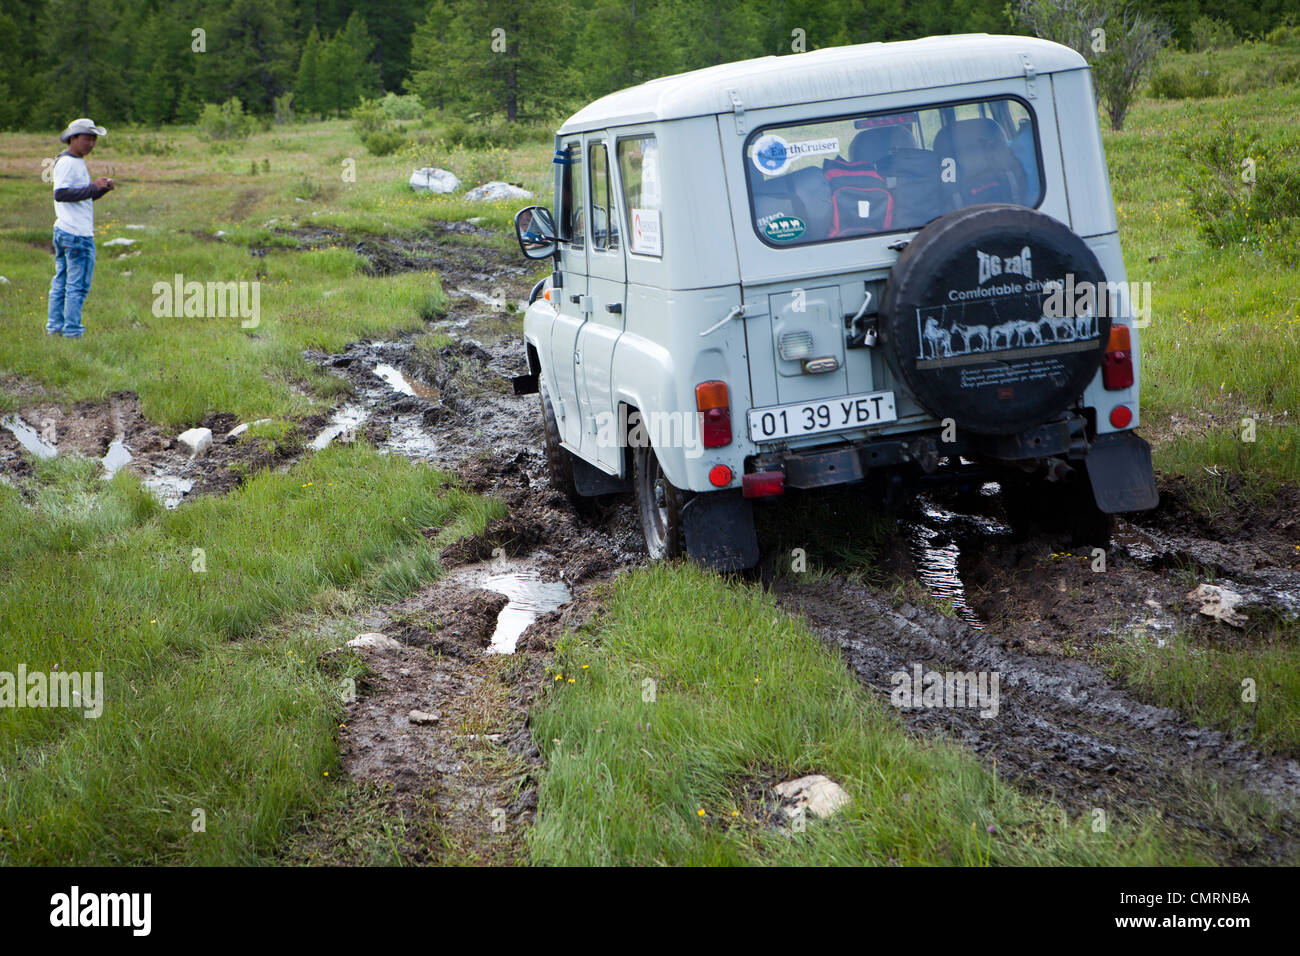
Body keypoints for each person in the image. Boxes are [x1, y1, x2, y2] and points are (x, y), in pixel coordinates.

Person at [48, 118, 114, 338]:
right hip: (76, 234)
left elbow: (81, 197)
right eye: (87, 138)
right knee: (77, 286)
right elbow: (62, 194)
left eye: (94, 139)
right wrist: (91, 187)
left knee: (62, 282)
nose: (91, 144)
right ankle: (73, 332)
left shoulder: (74, 161)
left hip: (65, 230)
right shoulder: (68, 162)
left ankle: (55, 327)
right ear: (72, 138)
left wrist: (100, 190)